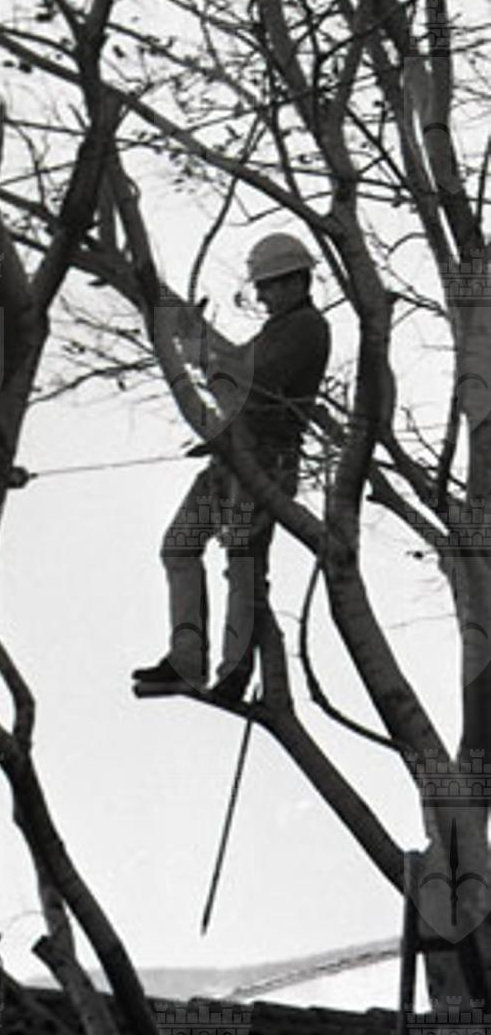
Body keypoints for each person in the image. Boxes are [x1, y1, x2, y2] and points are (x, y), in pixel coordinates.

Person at [133, 233, 331, 705]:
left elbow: (250, 384)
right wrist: (194, 336)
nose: (261, 296)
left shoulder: (305, 329)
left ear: (295, 281)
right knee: (179, 544)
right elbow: (239, 366)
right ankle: (186, 660)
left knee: (243, 562)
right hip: (232, 458)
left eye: (267, 286)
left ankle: (235, 669)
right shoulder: (278, 329)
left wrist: (201, 352)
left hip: (264, 461)